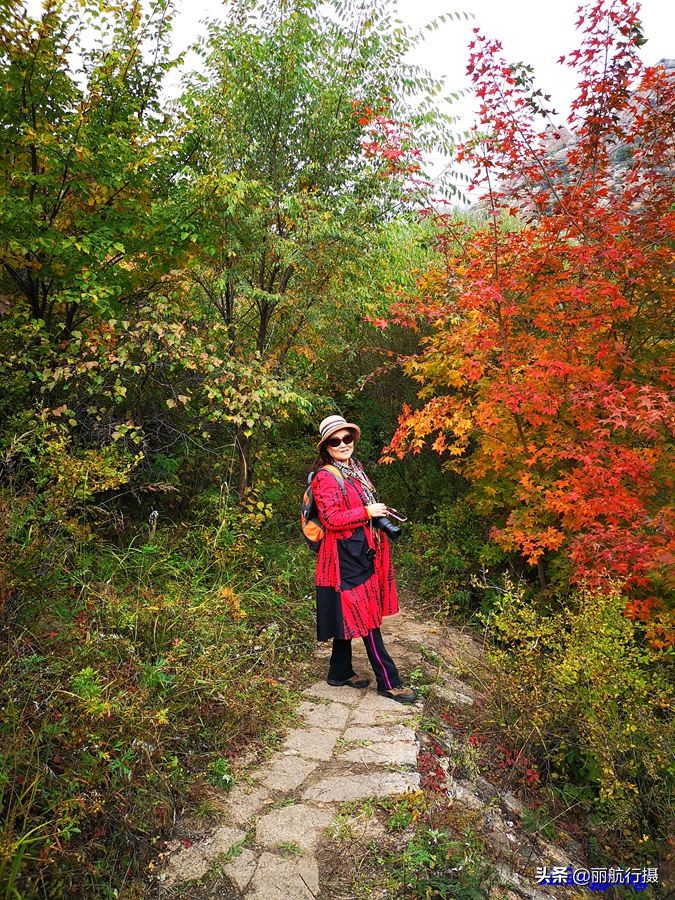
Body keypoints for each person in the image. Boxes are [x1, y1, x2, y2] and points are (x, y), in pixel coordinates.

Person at [311, 414, 417, 704]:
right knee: (367, 615)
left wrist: (377, 511)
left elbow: (362, 504)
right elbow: (331, 518)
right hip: (343, 557)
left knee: (350, 610)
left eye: (347, 438)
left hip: (360, 550)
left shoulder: (355, 470)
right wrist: (367, 513)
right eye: (335, 441)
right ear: (326, 447)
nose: (343, 444)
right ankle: (389, 682)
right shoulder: (325, 477)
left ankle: (339, 671)